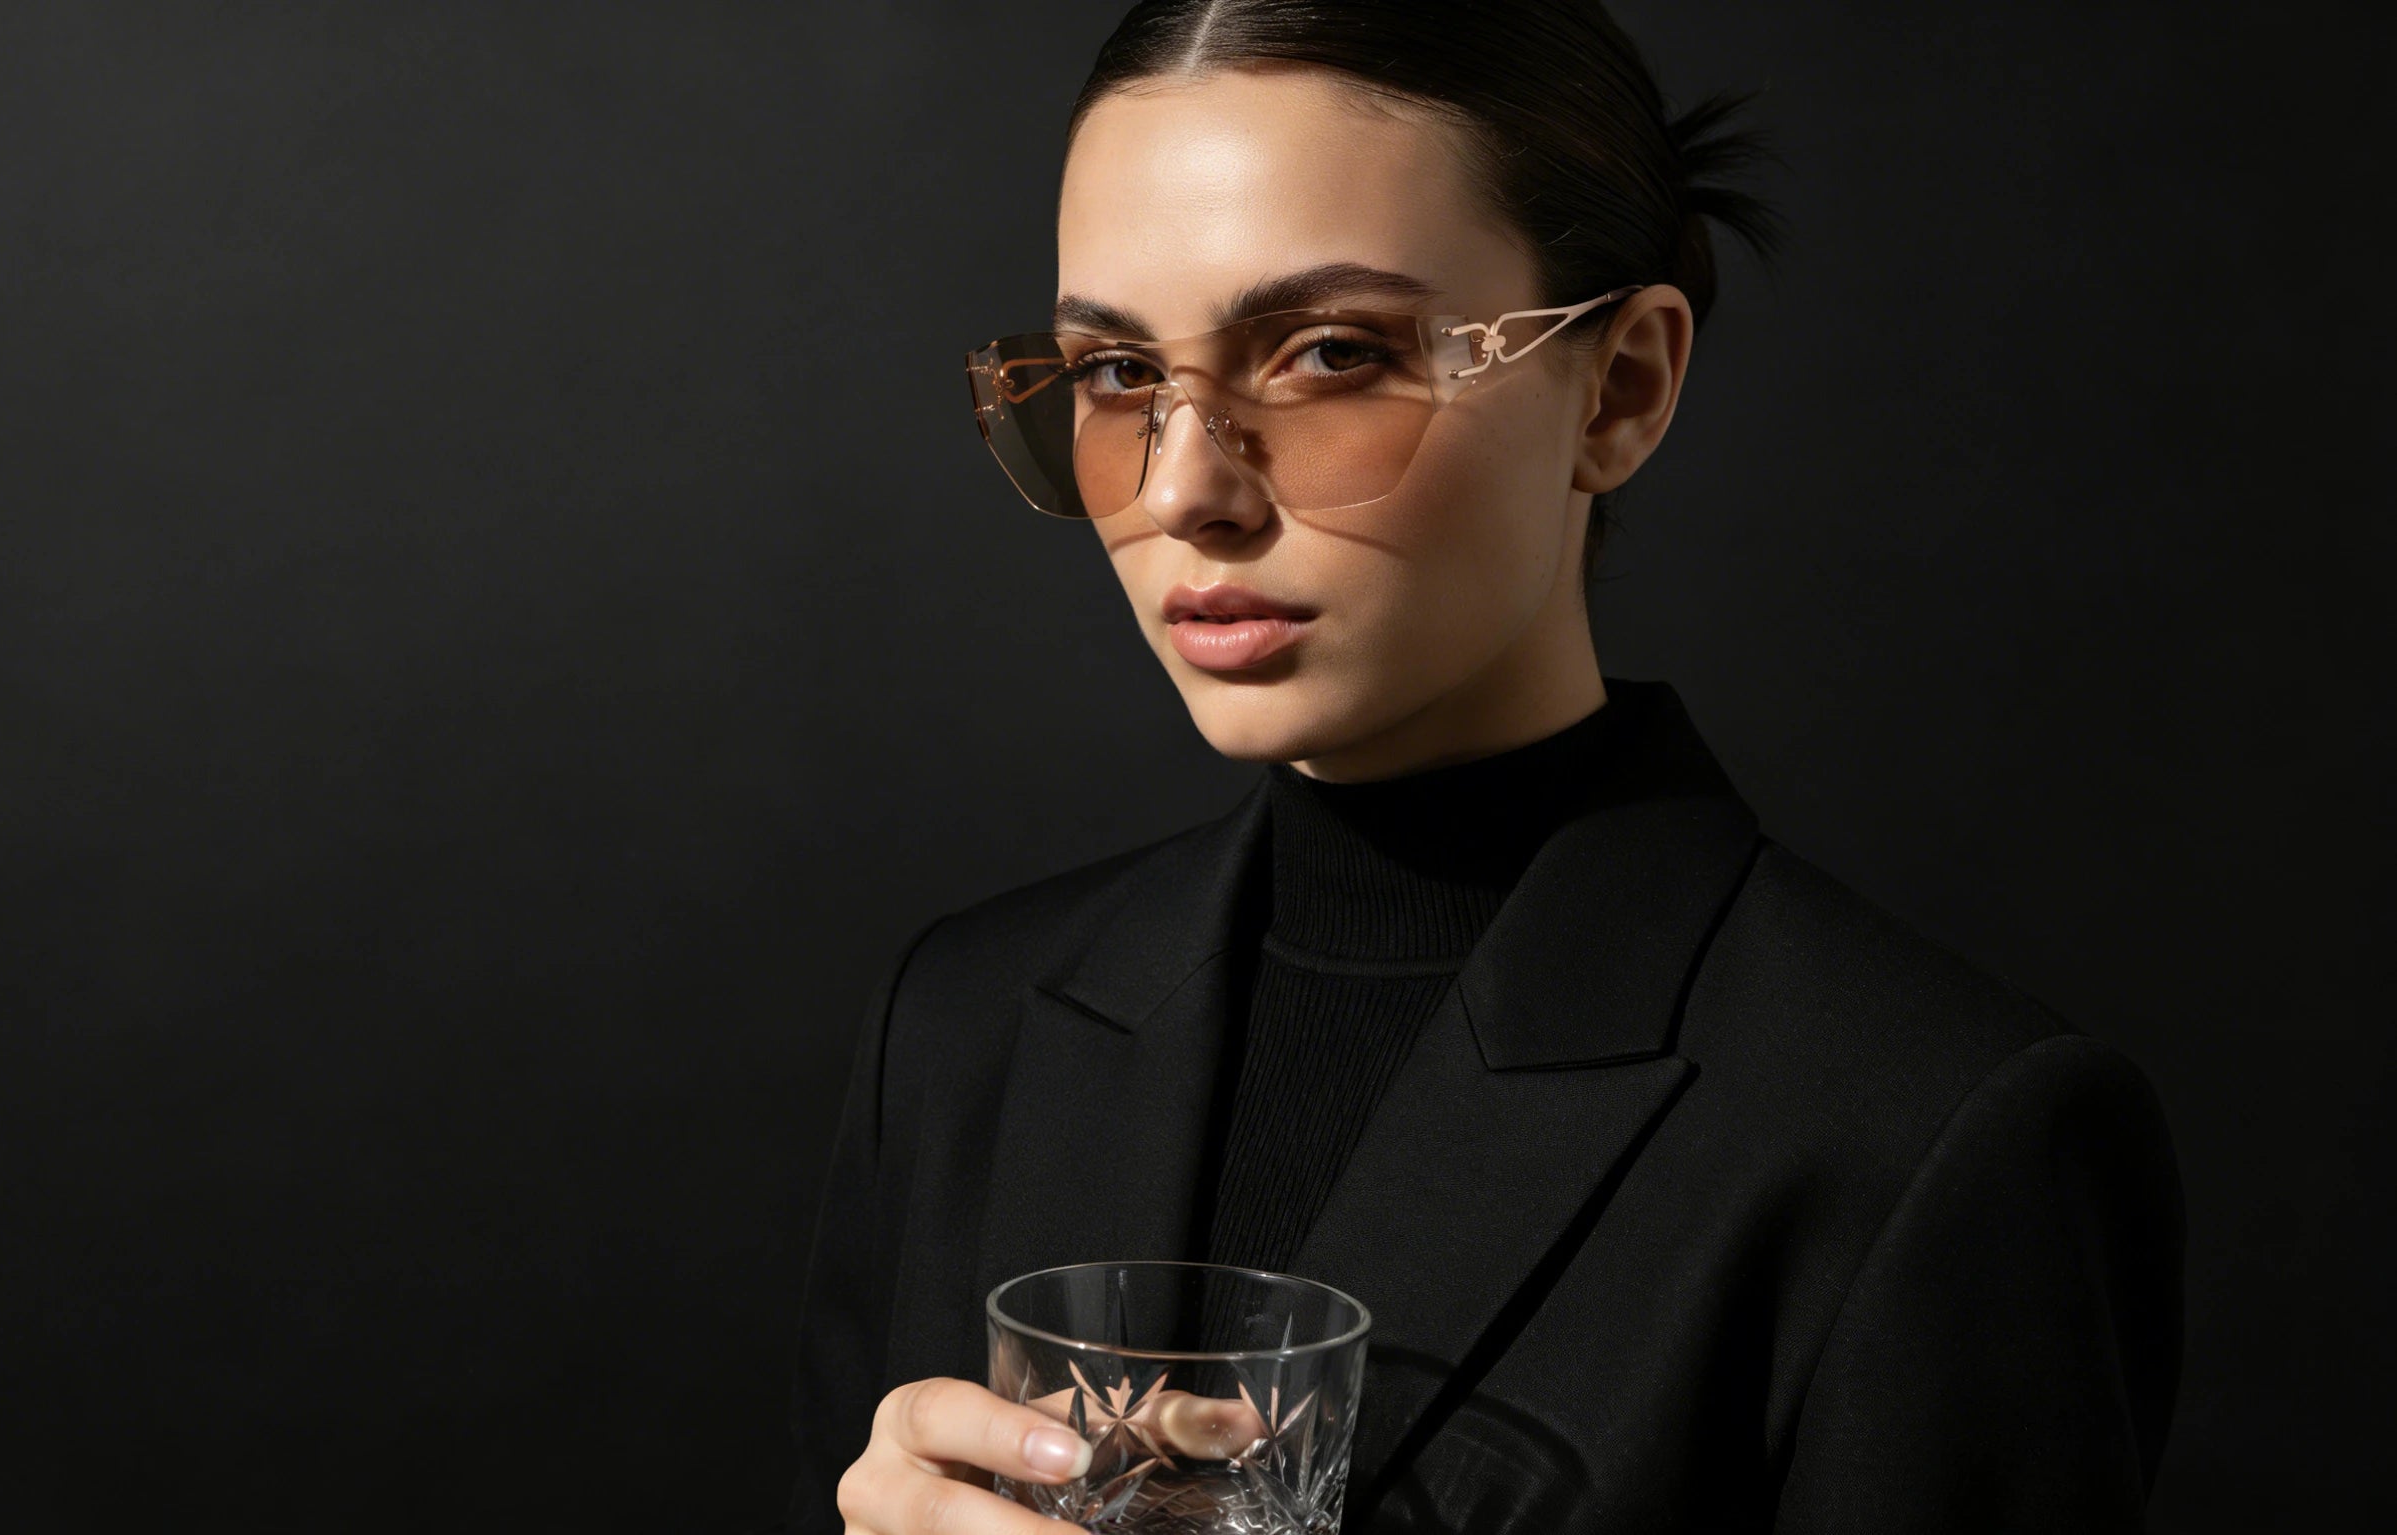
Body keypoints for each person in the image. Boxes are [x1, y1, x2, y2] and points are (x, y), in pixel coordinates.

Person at [780, 3, 2184, 1531]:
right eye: (1117, 372)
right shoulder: (963, 1023)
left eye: (1329, 354)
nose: (1185, 490)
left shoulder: (1925, 1138)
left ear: (1622, 388)